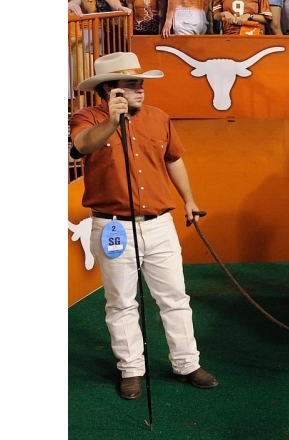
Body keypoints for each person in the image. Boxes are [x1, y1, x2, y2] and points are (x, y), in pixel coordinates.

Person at [69, 52, 218, 400]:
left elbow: (174, 159)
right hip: (111, 226)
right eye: (131, 84)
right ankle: (131, 369)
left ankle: (187, 363)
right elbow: (81, 145)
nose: (140, 88)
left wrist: (190, 200)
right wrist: (112, 121)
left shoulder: (159, 118)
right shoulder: (87, 118)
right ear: (108, 90)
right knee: (121, 302)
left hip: (159, 224)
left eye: (141, 82)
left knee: (175, 297)